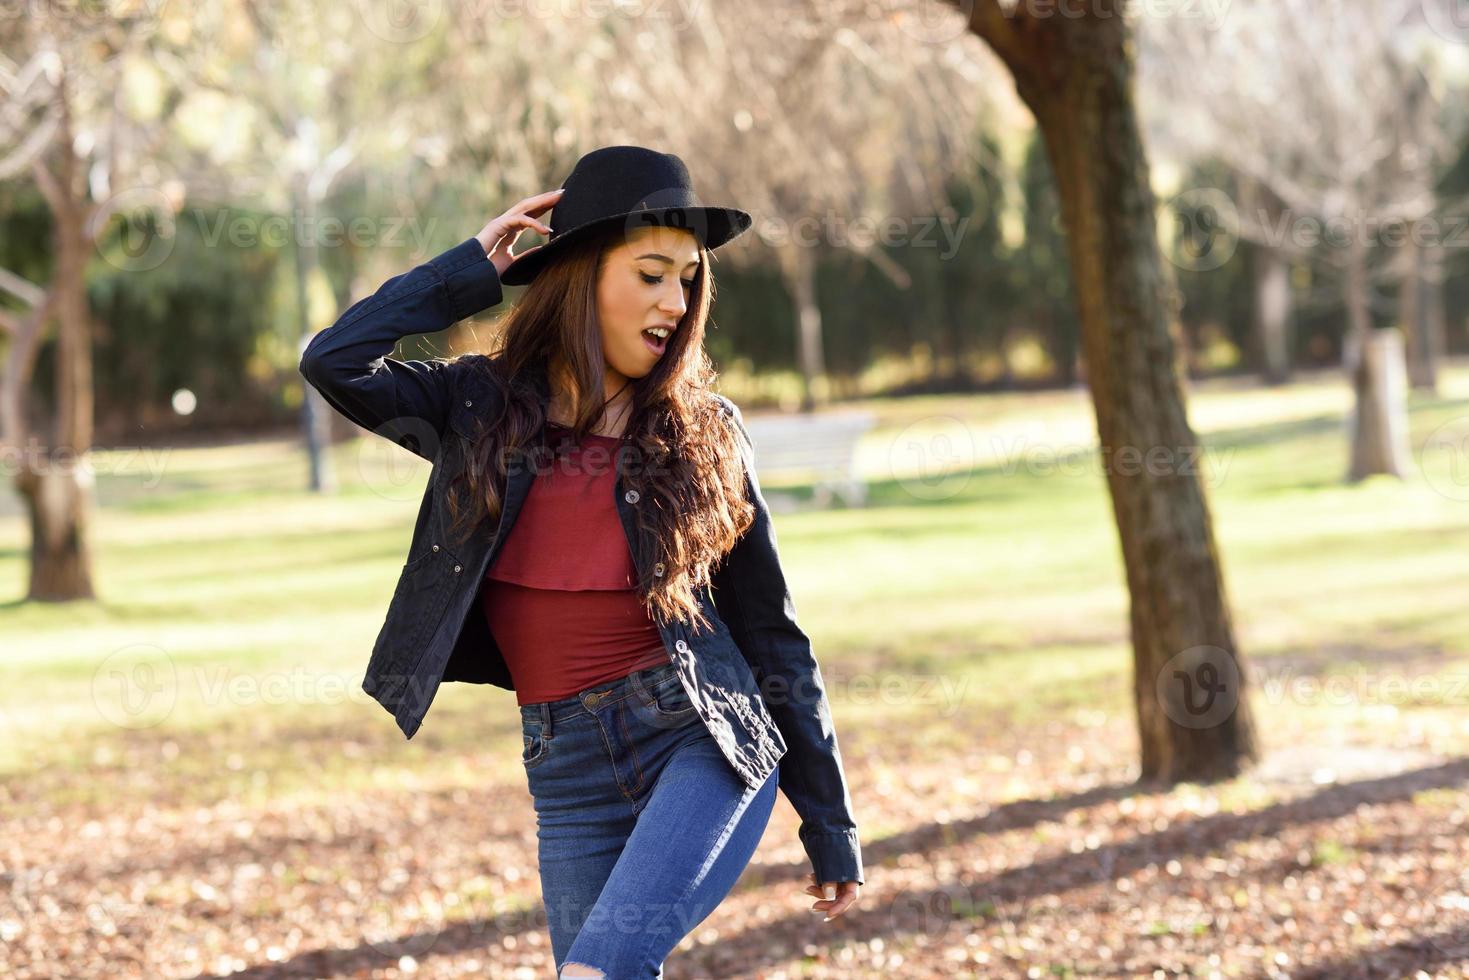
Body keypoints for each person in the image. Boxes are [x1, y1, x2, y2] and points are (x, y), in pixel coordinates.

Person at [306, 146, 862, 978]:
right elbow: (333, 361)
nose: (674, 302)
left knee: (597, 973)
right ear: (576, 278)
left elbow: (770, 631)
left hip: (699, 738)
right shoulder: (477, 406)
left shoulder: (703, 433)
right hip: (562, 767)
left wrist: (828, 821)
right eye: (649, 274)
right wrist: (469, 270)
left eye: (687, 280)